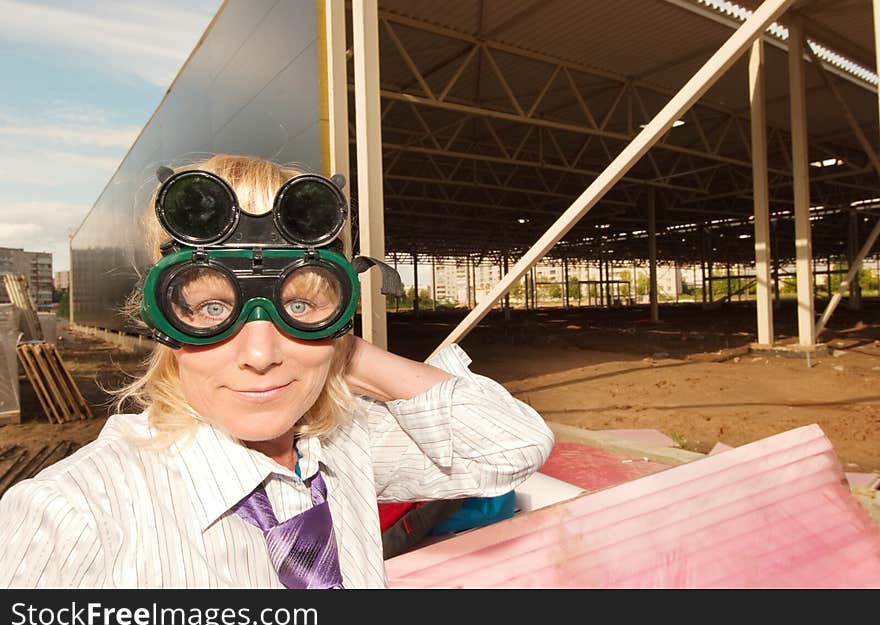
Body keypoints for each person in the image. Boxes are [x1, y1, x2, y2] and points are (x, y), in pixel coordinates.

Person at [0, 154, 554, 589]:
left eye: (300, 307)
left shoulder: (341, 448)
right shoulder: (74, 515)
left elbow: (512, 447)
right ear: (163, 317)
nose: (261, 354)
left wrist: (336, 347)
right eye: (213, 310)